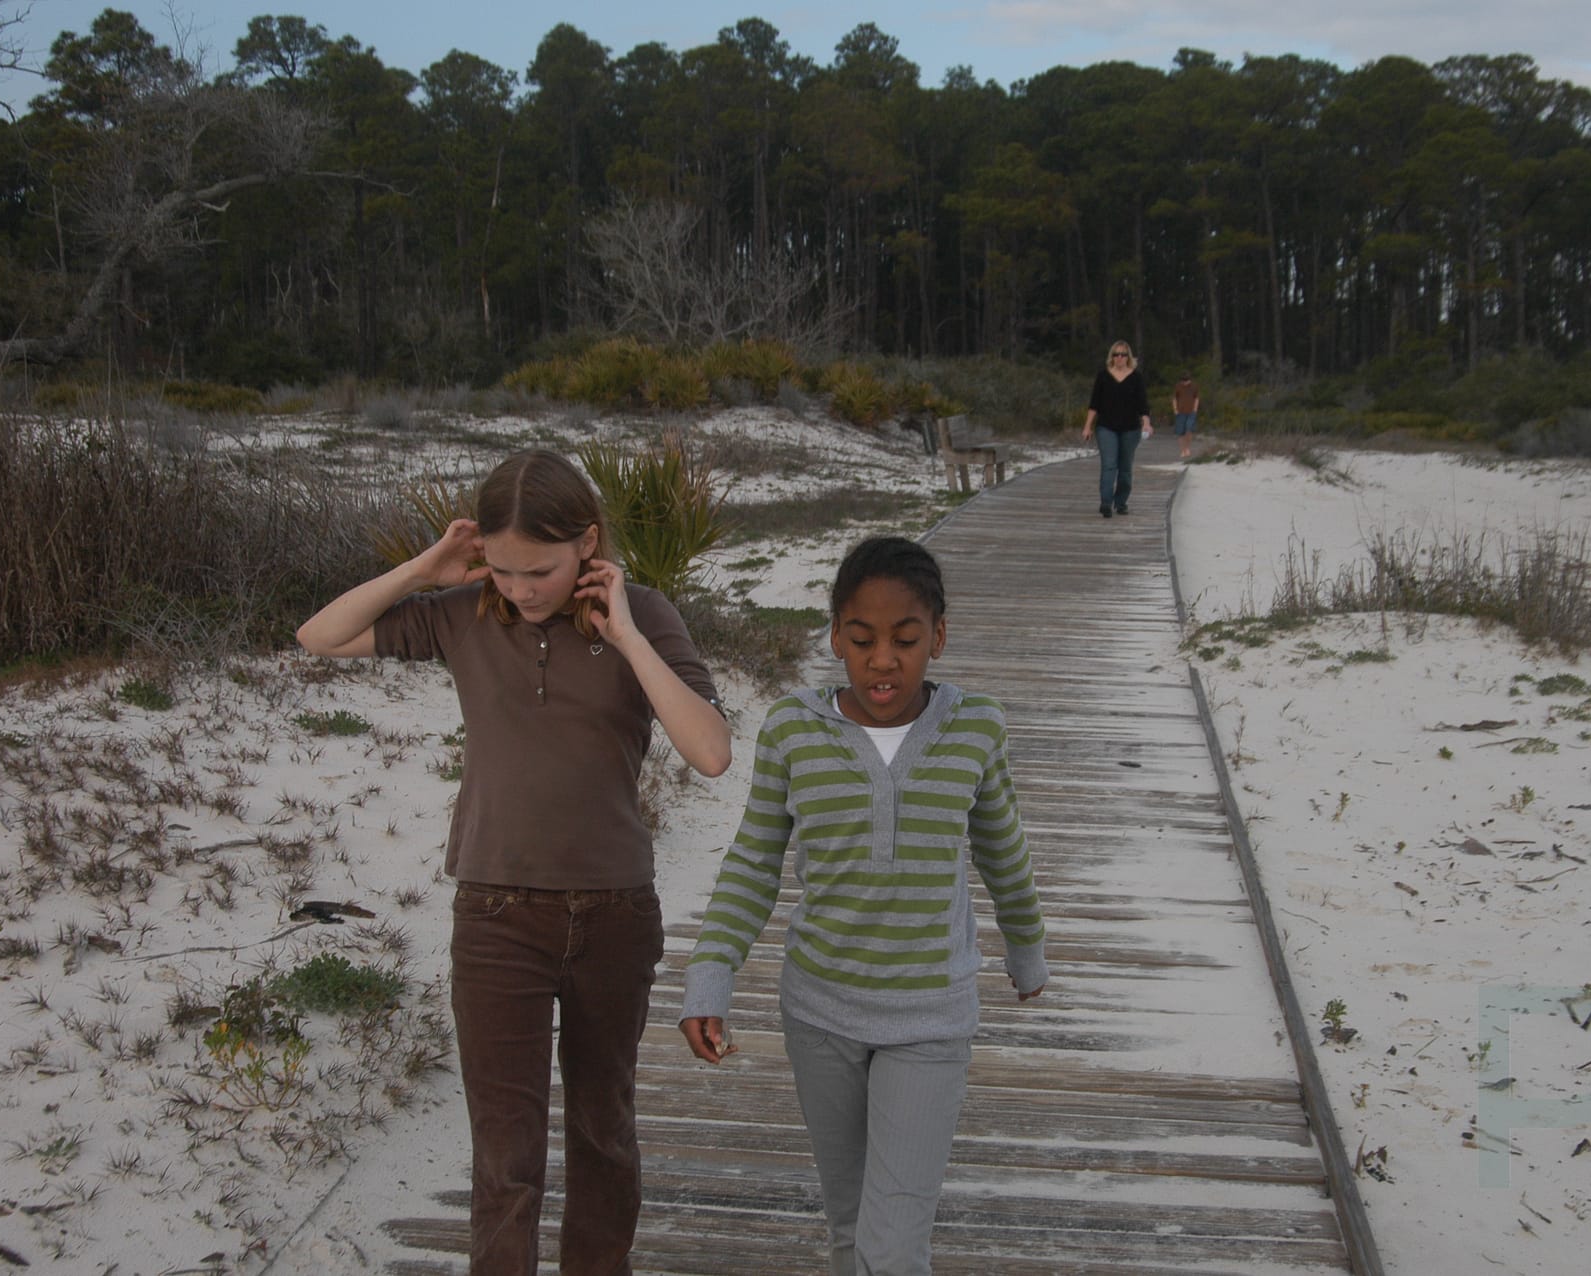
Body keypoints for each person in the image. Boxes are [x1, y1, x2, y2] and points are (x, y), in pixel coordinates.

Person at [295, 448, 731, 1276]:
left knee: (604, 1132)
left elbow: (709, 752)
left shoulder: (643, 613)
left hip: (614, 915)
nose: (522, 589)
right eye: (501, 570)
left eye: (540, 570)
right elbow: (319, 636)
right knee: (505, 1154)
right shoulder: (461, 613)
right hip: (495, 918)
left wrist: (628, 637)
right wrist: (428, 567)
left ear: (588, 545)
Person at [679, 535, 1047, 1276]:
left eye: (906, 639)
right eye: (862, 639)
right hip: (818, 1016)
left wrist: (1025, 945)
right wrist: (710, 975)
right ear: (835, 638)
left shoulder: (976, 728)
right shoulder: (791, 731)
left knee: (892, 1243)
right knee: (850, 1226)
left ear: (938, 637)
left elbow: (1002, 847)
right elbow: (753, 864)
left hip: (930, 1019)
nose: (884, 659)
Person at [1081, 341, 1153, 518]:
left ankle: (1121, 502)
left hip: (1130, 429)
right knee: (1109, 465)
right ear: (1111, 356)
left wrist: (1146, 422)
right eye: (1116, 354)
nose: (1119, 358)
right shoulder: (1103, 376)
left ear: (1128, 357)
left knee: (1125, 467)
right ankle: (1106, 502)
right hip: (1106, 428)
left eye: (1123, 354)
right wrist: (1087, 426)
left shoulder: (1136, 377)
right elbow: (1094, 404)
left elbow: (1142, 404)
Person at [1171, 371, 1200, 461]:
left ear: (1189, 380)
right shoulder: (1178, 386)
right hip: (1180, 412)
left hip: (1191, 412)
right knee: (1180, 432)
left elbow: (1197, 398)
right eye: (1183, 380)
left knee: (1189, 429)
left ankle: (1187, 448)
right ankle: (1183, 450)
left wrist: (1195, 409)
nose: (1184, 382)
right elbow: (1174, 398)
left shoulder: (1194, 386)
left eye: (1186, 380)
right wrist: (1175, 409)